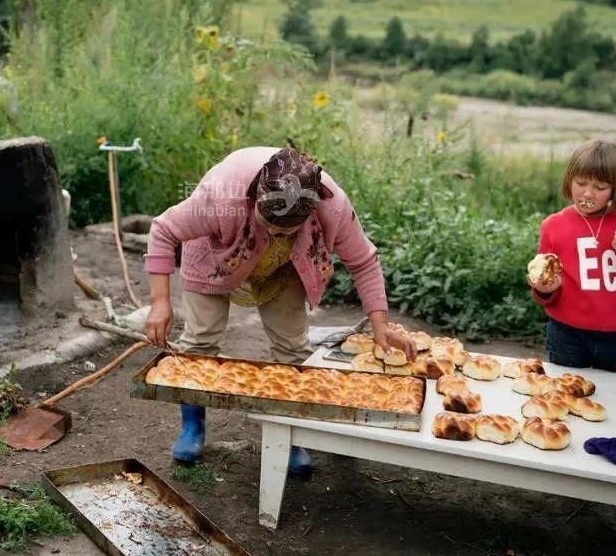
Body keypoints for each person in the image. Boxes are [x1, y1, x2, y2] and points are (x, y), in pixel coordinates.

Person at [145, 146, 416, 475]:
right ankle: (192, 429)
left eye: (283, 231)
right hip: (218, 255)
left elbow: (363, 261)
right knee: (201, 339)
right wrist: (160, 302)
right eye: (268, 224)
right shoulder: (221, 196)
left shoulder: (332, 206)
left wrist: (380, 325)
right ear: (255, 200)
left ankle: (289, 437)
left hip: (286, 265)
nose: (273, 233)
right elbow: (163, 230)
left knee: (292, 347)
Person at [527, 140, 616, 373]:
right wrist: (544, 289)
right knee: (565, 396)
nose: (588, 193)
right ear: (569, 180)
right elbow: (546, 282)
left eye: (600, 187)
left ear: (615, 189)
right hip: (566, 335)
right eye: (580, 183)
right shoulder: (553, 226)